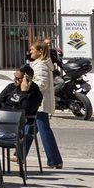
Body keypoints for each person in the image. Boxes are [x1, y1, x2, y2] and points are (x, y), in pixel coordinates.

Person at [28, 41, 64, 169]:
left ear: (40, 52)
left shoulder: (40, 66)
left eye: (32, 50)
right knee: (30, 129)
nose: (30, 52)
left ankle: (54, 160)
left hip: (39, 103)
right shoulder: (39, 64)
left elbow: (42, 84)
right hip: (38, 102)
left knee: (44, 131)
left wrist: (28, 84)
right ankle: (19, 154)